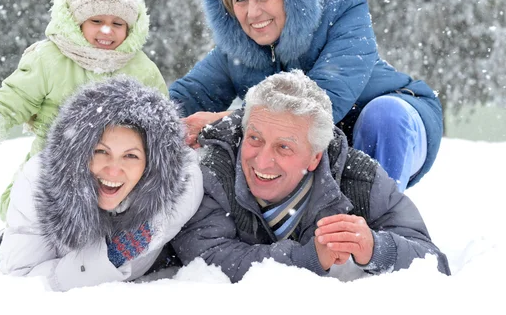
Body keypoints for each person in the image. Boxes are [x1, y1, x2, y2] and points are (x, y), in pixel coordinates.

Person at [169, 0, 442, 192]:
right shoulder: (235, 51)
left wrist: (218, 121)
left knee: (383, 116)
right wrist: (138, 121)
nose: (253, 12)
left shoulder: (344, 12)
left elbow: (320, 103)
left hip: (395, 123)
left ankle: (377, 222)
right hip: (319, 147)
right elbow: (184, 97)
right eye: (240, 0)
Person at [171, 70, 450, 283]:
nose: (262, 159)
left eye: (284, 147)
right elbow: (205, 258)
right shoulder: (212, 171)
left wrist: (376, 248)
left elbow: (433, 262)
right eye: (254, 138)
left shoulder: (359, 180)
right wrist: (307, 258)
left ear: (316, 155)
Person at [0, 0, 168, 220]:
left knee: (134, 210)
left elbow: (160, 120)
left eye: (118, 23)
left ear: (130, 28)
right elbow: (16, 96)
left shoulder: (141, 68)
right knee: (26, 206)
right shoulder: (50, 58)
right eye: (96, 21)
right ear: (77, 22)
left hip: (116, 170)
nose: (107, 30)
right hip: (56, 162)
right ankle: (20, 237)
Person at [0, 76, 203, 291]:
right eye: (101, 151)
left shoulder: (180, 188)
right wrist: (109, 258)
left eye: (130, 156)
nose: (113, 169)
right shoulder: (36, 183)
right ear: (79, 152)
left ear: (151, 165)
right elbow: (24, 282)